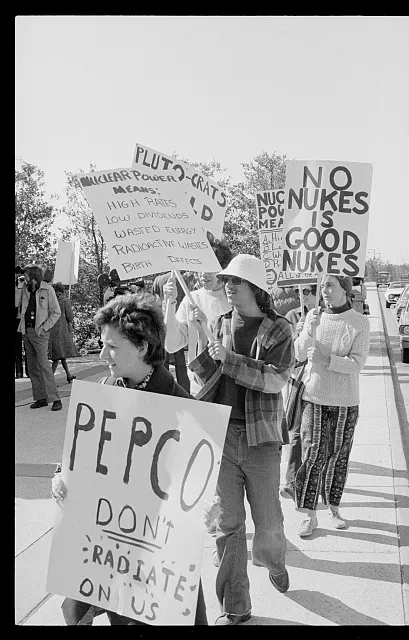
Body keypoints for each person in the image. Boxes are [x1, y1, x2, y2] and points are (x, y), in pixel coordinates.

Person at [51, 292, 209, 626]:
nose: (103, 353)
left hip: (155, 552)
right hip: (104, 546)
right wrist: (61, 476)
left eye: (113, 346)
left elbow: (197, 487)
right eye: (102, 343)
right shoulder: (103, 390)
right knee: (81, 613)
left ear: (142, 347)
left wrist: (208, 507)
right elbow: (77, 455)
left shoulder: (183, 407)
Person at [189, 254, 294, 625]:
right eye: (226, 281)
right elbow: (209, 376)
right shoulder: (218, 323)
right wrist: (204, 344)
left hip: (261, 438)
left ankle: (273, 560)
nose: (228, 286)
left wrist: (229, 358)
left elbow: (275, 379)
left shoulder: (279, 329)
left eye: (235, 281)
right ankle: (236, 607)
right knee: (228, 524)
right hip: (221, 433)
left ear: (255, 288)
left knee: (268, 522)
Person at [293, 274, 370, 537]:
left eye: (329, 285)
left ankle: (334, 508)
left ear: (345, 290)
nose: (323, 290)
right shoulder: (313, 316)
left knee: (338, 457)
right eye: (322, 285)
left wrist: (329, 358)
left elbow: (357, 364)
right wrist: (308, 330)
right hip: (313, 398)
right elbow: (299, 354)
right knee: (312, 455)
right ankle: (309, 515)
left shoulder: (359, 322)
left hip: (345, 402)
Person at [163, 238, 234, 394]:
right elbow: (171, 345)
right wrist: (170, 302)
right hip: (199, 385)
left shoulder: (234, 298)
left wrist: (205, 327)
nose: (203, 274)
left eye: (209, 268)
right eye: (199, 268)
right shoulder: (191, 299)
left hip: (231, 383)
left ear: (223, 267)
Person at [280, 284, 318, 500]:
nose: (301, 296)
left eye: (306, 292)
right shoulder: (292, 316)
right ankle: (293, 482)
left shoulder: (326, 314)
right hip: (297, 381)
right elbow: (288, 352)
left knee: (313, 436)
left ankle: (316, 482)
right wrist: (298, 333)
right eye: (298, 292)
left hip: (319, 382)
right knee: (295, 430)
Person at [18, 264, 63, 411]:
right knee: (31, 367)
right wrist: (18, 286)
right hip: (26, 331)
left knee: (44, 365)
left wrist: (44, 328)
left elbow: (56, 312)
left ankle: (56, 399)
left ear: (33, 276)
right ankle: (41, 398)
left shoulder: (47, 289)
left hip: (40, 333)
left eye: (26, 275)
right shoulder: (24, 289)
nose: (24, 277)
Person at [152, 271, 190, 393]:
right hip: (180, 322)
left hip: (164, 322)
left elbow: (155, 302)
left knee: (163, 362)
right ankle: (185, 391)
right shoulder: (184, 279)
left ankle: (165, 390)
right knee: (181, 365)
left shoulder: (158, 280)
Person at [48, 283, 79, 382]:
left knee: (60, 355)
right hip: (63, 331)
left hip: (52, 330)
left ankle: (68, 374)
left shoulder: (51, 301)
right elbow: (70, 317)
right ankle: (50, 380)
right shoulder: (65, 301)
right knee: (58, 356)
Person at [15, 266, 26, 378]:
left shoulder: (25, 284)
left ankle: (28, 371)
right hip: (17, 317)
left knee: (27, 345)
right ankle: (18, 372)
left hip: (24, 316)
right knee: (17, 345)